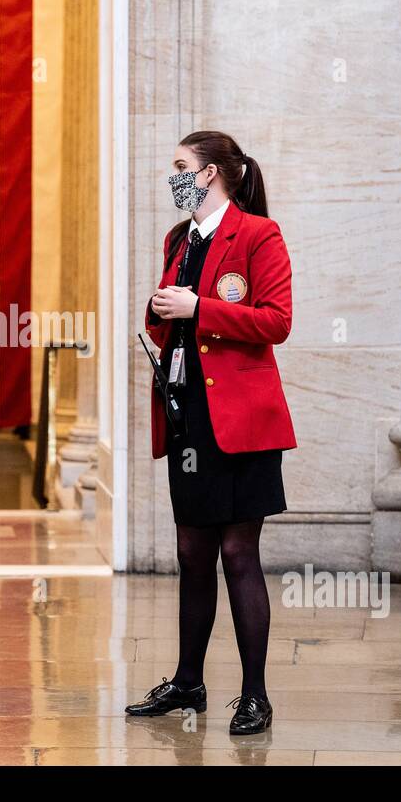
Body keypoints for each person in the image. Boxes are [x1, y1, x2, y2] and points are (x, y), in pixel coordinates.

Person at [125, 130, 296, 735]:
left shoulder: (257, 234)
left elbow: (276, 322)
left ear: (212, 174)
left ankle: (255, 695)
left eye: (180, 166)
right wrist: (163, 305)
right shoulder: (180, 237)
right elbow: (169, 317)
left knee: (236, 552)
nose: (172, 176)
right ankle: (188, 682)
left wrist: (198, 308)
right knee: (191, 552)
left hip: (243, 419)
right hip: (188, 414)